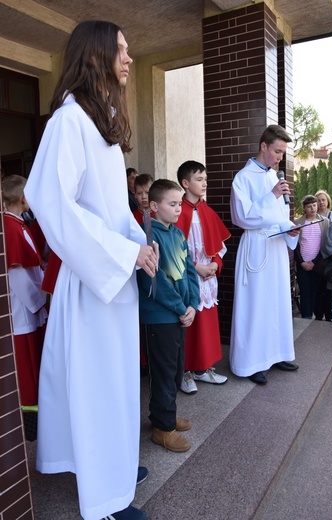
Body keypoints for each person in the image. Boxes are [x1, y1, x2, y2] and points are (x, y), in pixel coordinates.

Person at [24, 20, 157, 520]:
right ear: (96, 56)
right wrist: (122, 253)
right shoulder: (69, 120)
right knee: (99, 384)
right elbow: (51, 201)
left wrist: (141, 245)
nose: (128, 58)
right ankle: (104, 498)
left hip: (113, 278)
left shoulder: (98, 122)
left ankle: (113, 464)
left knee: (115, 380)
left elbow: (109, 209)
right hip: (91, 284)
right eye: (120, 50)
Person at [230, 124, 300, 385]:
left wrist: (290, 229)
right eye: (278, 151)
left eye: (282, 153)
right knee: (256, 306)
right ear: (263, 146)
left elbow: (278, 214)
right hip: (257, 248)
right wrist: (271, 196)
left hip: (276, 248)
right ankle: (251, 362)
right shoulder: (243, 178)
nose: (280, 157)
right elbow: (242, 217)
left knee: (277, 303)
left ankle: (276, 354)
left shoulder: (273, 176)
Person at [137, 179, 200, 452]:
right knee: (162, 373)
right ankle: (163, 429)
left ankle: (164, 415)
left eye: (179, 204)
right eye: (172, 204)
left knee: (175, 369)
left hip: (178, 314)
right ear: (154, 206)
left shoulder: (176, 233)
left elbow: (189, 271)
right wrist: (179, 306)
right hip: (160, 316)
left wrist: (193, 304)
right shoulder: (147, 234)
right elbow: (154, 280)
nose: (178, 209)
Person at [176, 160, 230, 394]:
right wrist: (197, 267)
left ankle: (202, 368)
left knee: (206, 325)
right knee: (188, 325)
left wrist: (215, 264)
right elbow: (174, 249)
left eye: (205, 179)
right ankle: (184, 372)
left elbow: (219, 247)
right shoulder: (178, 210)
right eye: (200, 179)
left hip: (208, 278)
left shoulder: (207, 211)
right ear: (185, 183)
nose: (204, 183)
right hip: (188, 276)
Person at [2, 174, 47, 406]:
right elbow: (16, 275)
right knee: (26, 361)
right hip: (24, 307)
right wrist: (39, 301)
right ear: (22, 199)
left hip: (31, 303)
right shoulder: (10, 228)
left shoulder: (18, 224)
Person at [294, 195, 329, 319]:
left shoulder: (324, 221)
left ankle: (314, 317)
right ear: (304, 208)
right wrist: (302, 262)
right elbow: (295, 245)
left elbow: (325, 244)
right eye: (309, 206)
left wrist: (315, 262)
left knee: (314, 292)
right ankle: (306, 317)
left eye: (314, 205)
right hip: (302, 263)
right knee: (304, 292)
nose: (313, 208)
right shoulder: (298, 223)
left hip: (317, 263)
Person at [314, 190, 332, 321]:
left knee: (329, 290)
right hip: (317, 260)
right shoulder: (312, 216)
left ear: (327, 201)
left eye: (323, 199)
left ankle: (329, 316)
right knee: (318, 288)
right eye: (318, 200)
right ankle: (318, 316)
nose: (321, 202)